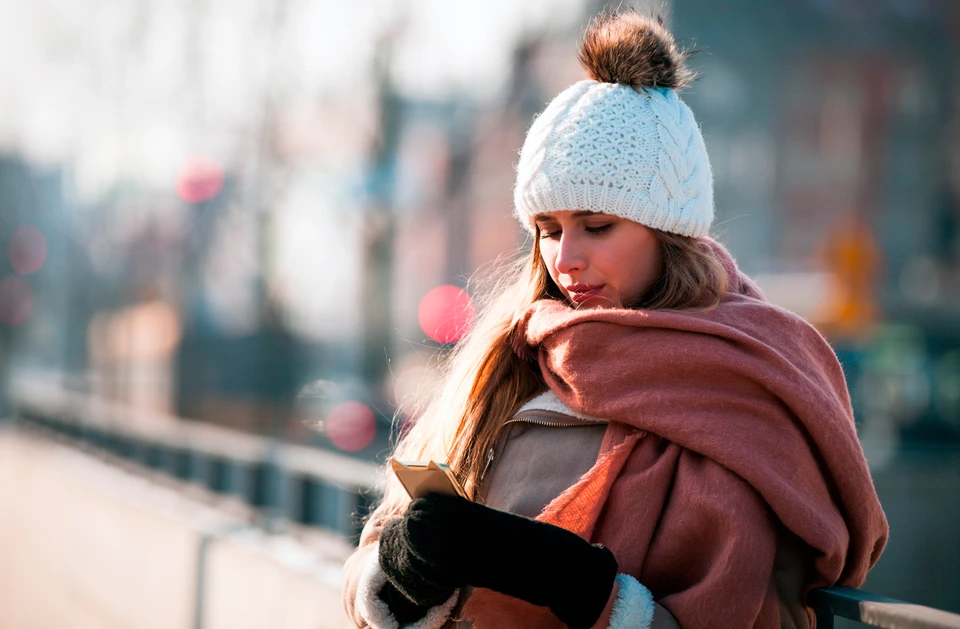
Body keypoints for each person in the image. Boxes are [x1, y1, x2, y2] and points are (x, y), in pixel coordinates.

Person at [342, 9, 888, 629]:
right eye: (548, 230)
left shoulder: (753, 385)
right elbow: (367, 567)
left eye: (597, 226)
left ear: (668, 232)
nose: (565, 260)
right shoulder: (505, 362)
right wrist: (401, 573)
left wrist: (579, 588)